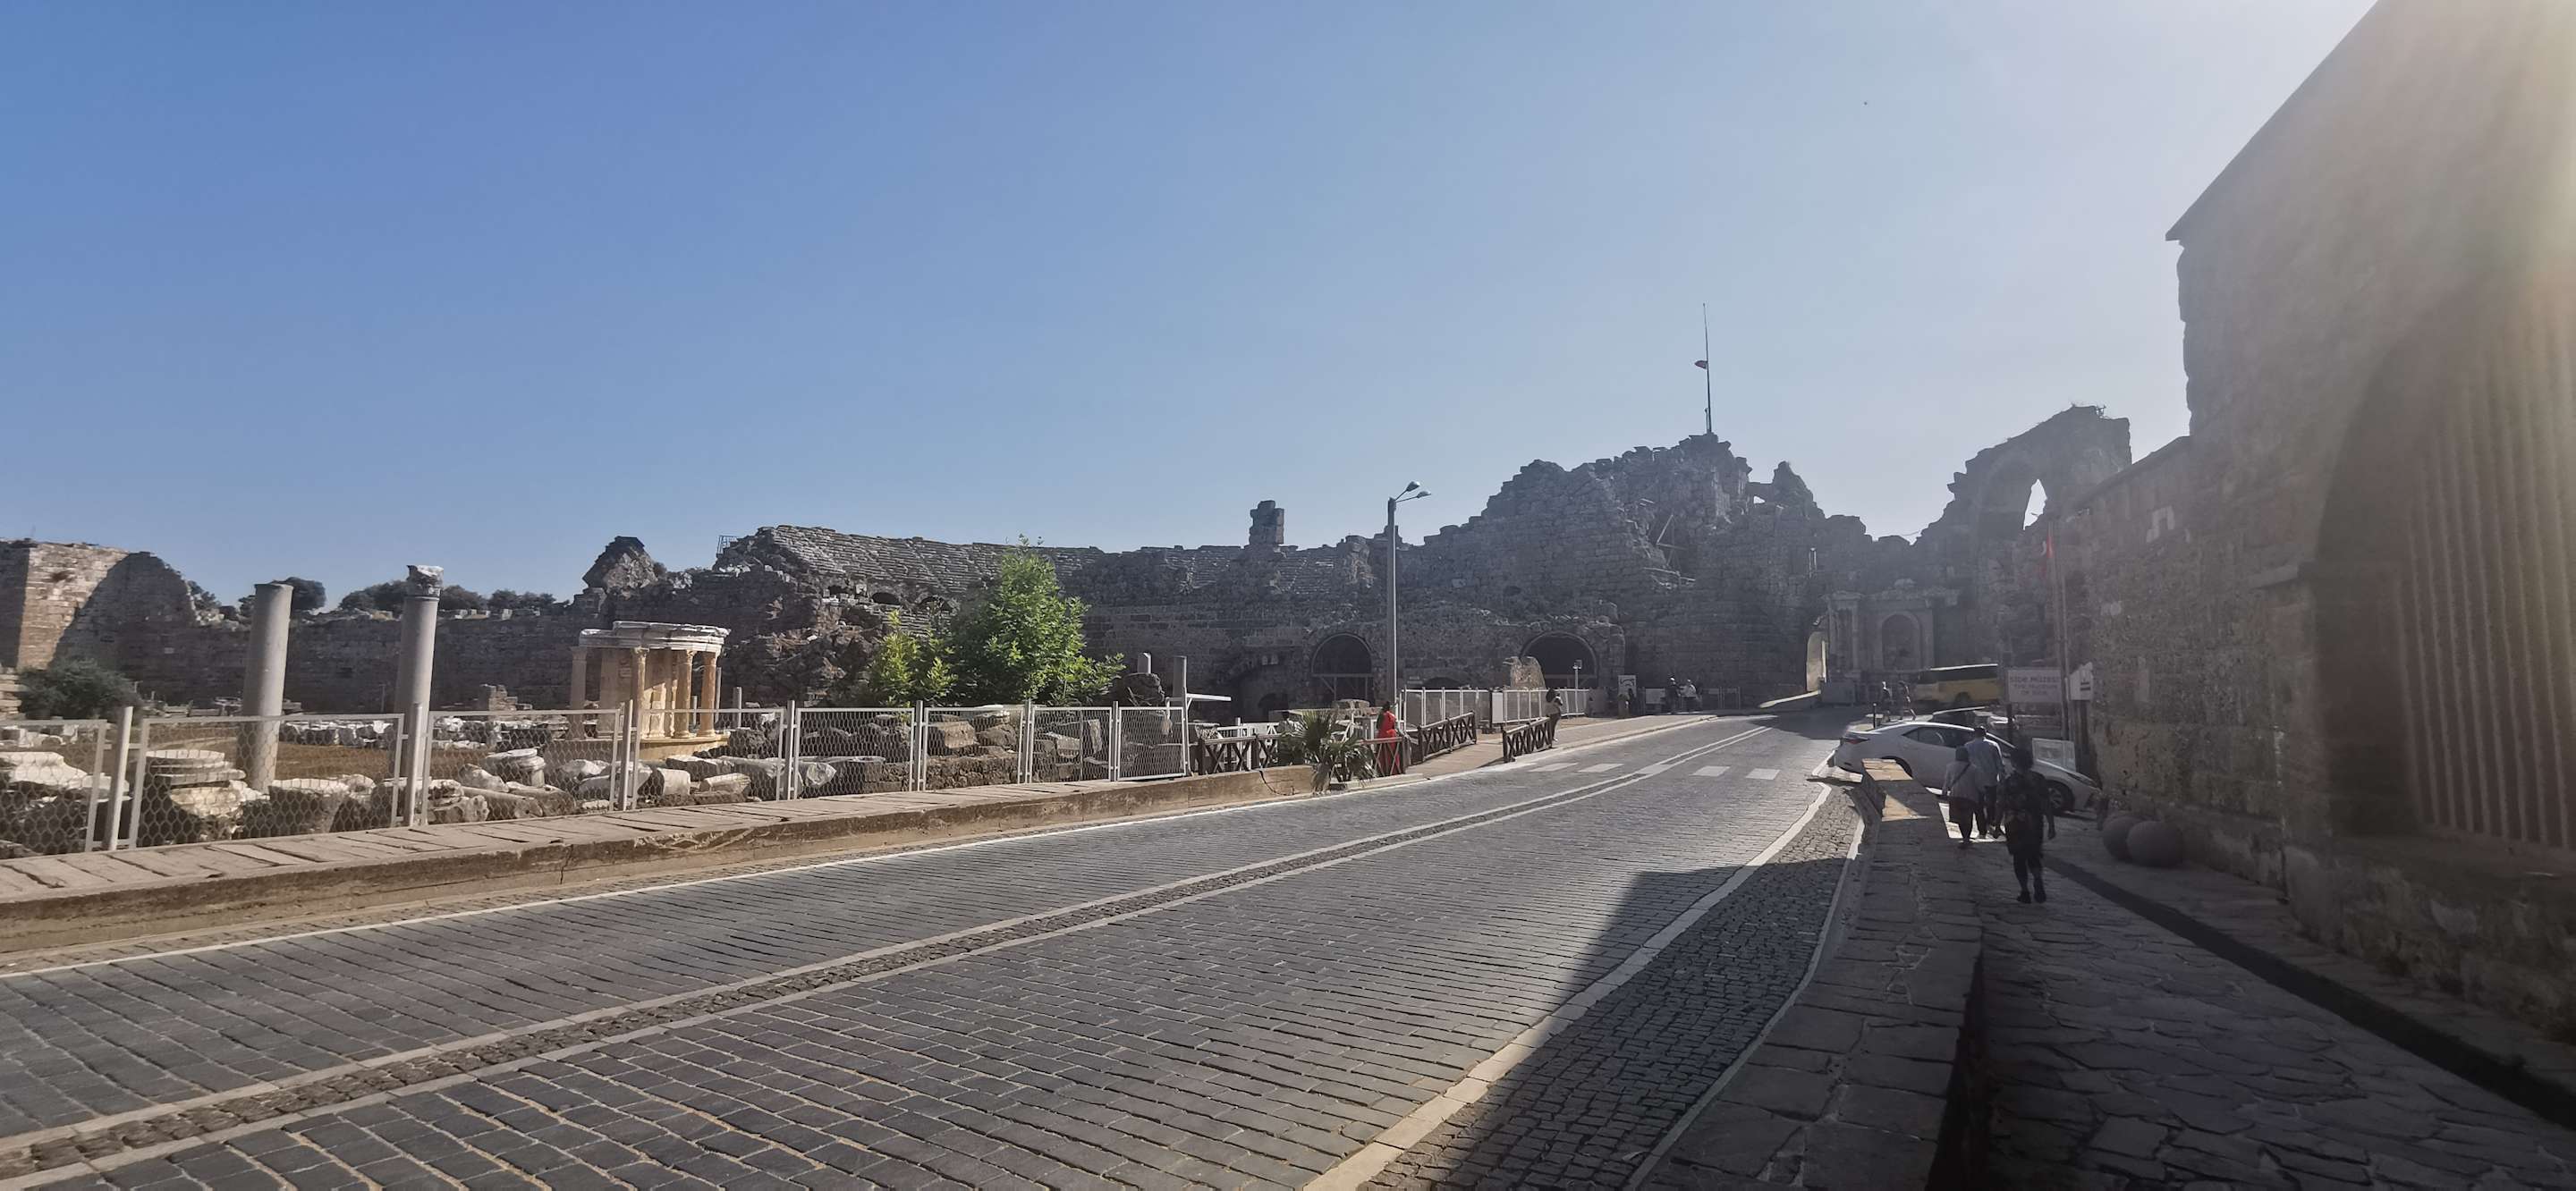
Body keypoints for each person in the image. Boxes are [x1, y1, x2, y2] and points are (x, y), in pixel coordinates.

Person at [2000, 744, 2057, 902]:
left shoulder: (2009, 781)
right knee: (2034, 854)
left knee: (2018, 857)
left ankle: (2024, 891)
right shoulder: (2039, 779)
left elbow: (2002, 803)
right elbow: (2046, 803)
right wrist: (2051, 825)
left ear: (2014, 762)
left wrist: (1997, 823)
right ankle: (2037, 878)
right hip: (2035, 822)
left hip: (2014, 823)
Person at [1961, 730, 2004, 840]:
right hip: (1991, 780)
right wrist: (2002, 779)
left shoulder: (1968, 746)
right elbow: (1999, 763)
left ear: (1974, 734)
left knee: (1978, 807)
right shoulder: (1993, 745)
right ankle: (1991, 823)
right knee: (1991, 804)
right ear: (1985, 734)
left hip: (1975, 780)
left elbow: (1965, 763)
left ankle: (1982, 830)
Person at [1374, 702, 1404, 776]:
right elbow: (1394, 726)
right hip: (1392, 735)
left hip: (1383, 735)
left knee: (1382, 754)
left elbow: (1378, 726)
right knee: (1392, 754)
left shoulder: (1382, 715)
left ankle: (1383, 771)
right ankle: (1394, 770)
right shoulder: (1392, 716)